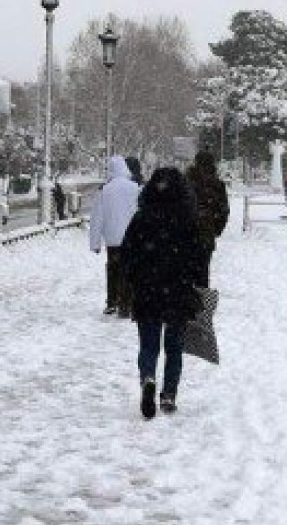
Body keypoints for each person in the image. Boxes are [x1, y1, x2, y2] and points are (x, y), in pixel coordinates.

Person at [121, 167, 204, 418]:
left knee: (148, 344)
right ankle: (169, 394)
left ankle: (148, 377)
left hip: (148, 289)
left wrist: (135, 279)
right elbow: (199, 257)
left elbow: (127, 253)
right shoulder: (188, 219)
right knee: (174, 347)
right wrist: (197, 286)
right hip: (178, 290)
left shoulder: (142, 218)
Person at [89, 156, 141, 317]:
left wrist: (95, 243)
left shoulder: (105, 190)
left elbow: (97, 218)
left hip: (112, 239)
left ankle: (112, 301)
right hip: (132, 238)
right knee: (130, 270)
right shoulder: (135, 188)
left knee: (113, 269)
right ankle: (127, 302)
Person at [186, 151, 229, 288]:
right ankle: (202, 302)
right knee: (203, 271)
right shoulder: (217, 185)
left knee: (185, 271)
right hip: (206, 233)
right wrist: (216, 229)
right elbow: (224, 211)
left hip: (186, 233)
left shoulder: (186, 182)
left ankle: (186, 303)